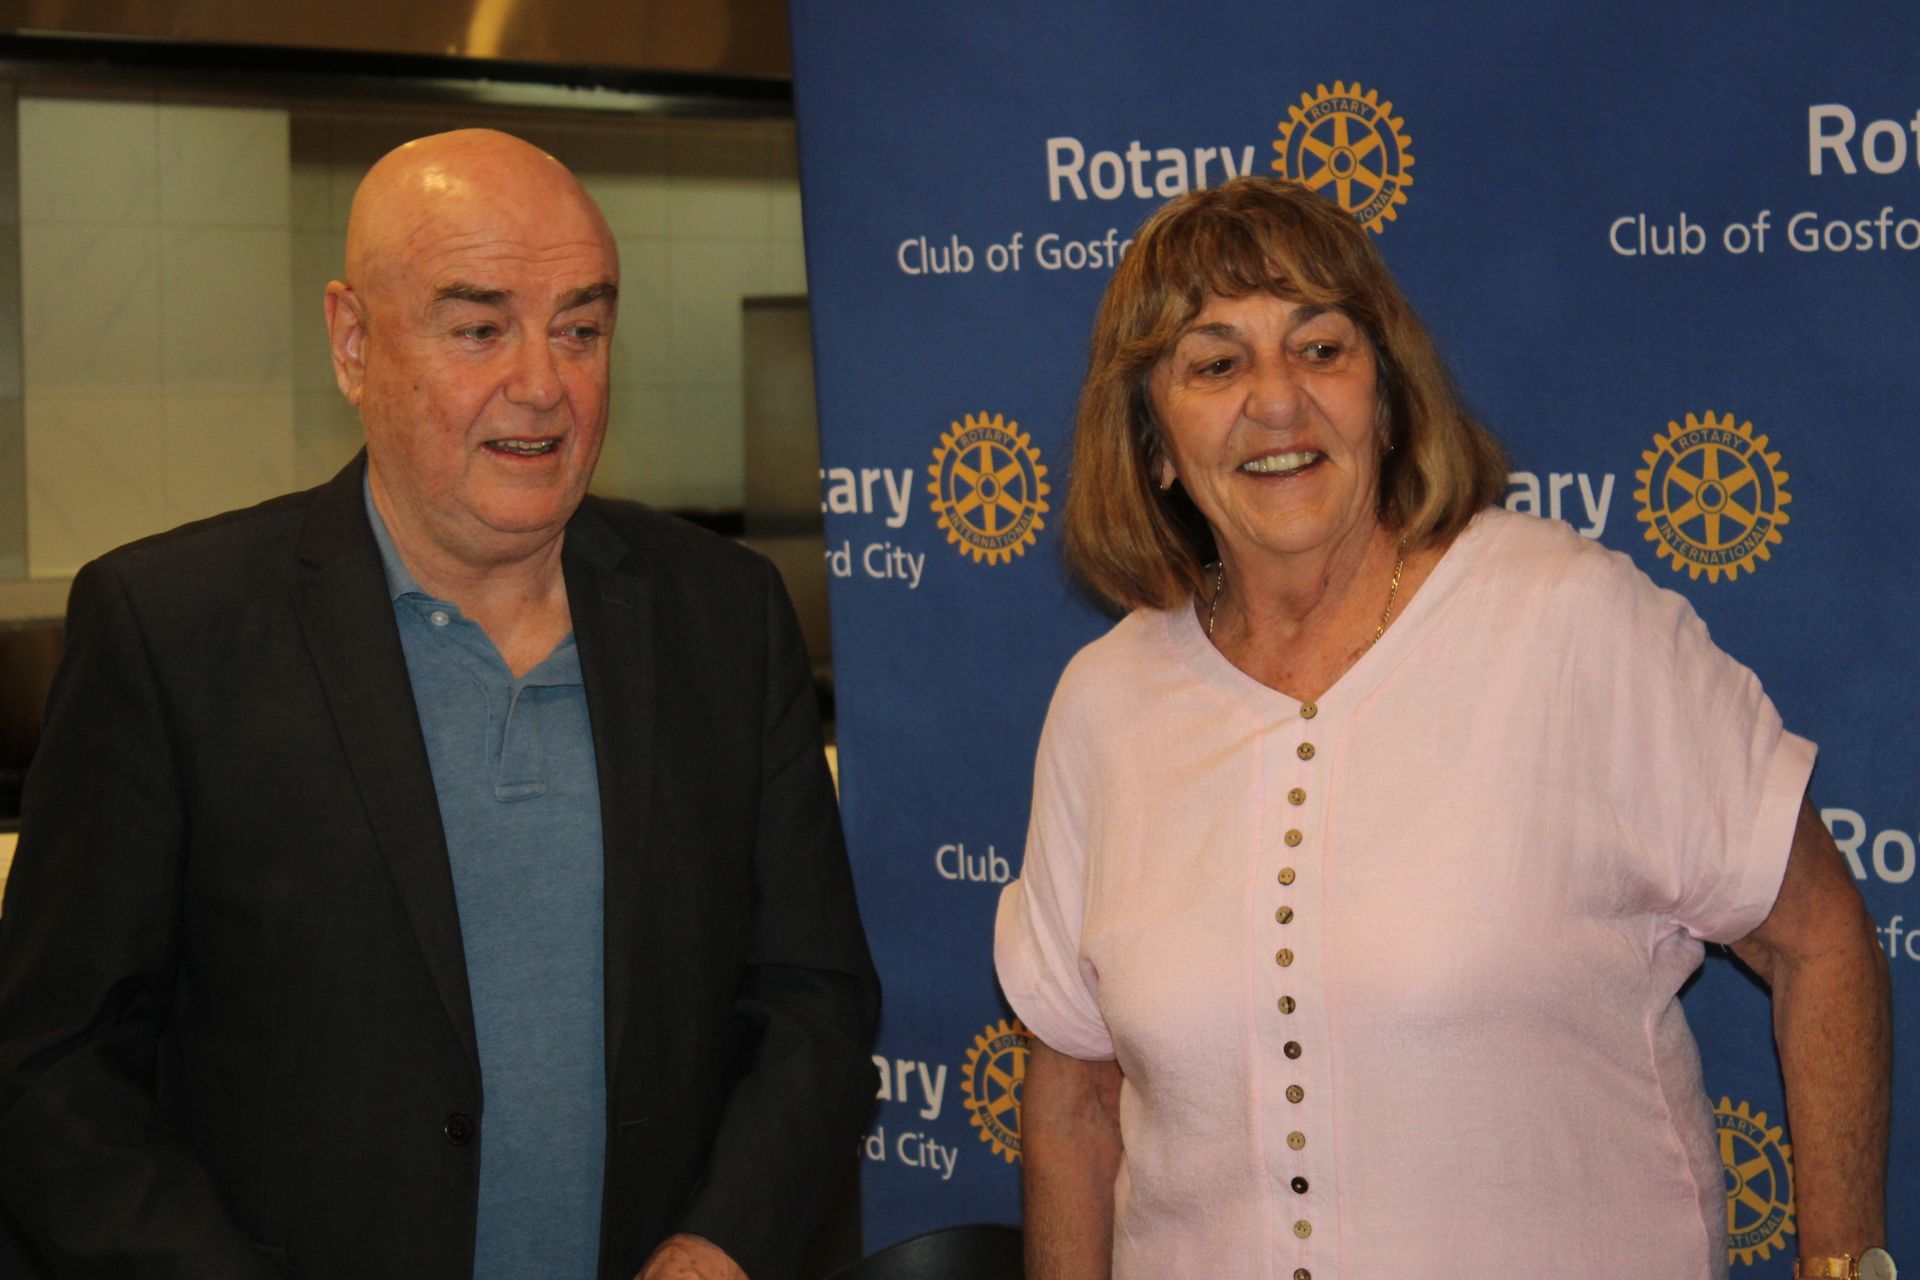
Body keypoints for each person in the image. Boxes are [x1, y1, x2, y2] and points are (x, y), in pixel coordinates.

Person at [0, 130, 878, 1280]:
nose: (542, 383)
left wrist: (723, 1244)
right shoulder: (173, 628)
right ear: (354, 342)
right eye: (479, 329)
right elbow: (49, 1065)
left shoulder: (724, 615)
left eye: (581, 327)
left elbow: (812, 997)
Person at [994, 177, 1892, 1280]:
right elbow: (1077, 1093)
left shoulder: (1566, 617)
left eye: (1321, 348)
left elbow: (1820, 937)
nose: (1278, 403)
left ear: (1389, 391)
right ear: (1155, 444)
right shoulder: (1104, 703)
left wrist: (1844, 1265)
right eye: (1217, 364)